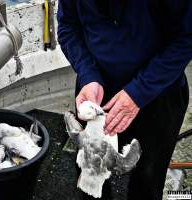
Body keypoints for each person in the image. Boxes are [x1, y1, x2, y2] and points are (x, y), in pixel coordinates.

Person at [57, 0, 192, 199]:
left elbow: (187, 39)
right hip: (97, 93)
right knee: (90, 172)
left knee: (148, 179)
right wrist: (88, 75)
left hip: (158, 94)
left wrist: (139, 92)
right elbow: (68, 26)